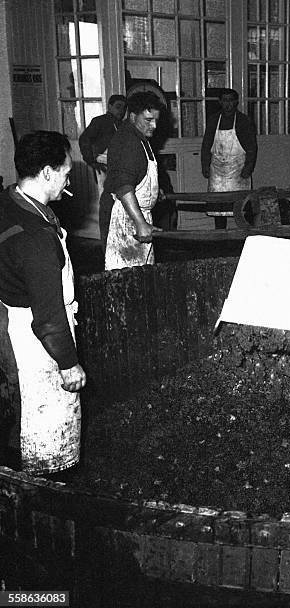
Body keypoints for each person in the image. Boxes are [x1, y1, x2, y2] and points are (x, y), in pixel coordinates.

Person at [0, 131, 86, 475]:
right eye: (66, 171)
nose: (68, 178)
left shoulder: (9, 200)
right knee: (46, 434)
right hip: (36, 344)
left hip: (11, 320)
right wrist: (68, 364)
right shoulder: (35, 239)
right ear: (47, 173)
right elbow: (48, 318)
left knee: (17, 416)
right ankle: (49, 483)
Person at [100, 91, 164, 270]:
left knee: (143, 274)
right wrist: (140, 223)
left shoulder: (140, 137)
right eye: (148, 120)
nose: (154, 126)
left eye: (156, 120)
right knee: (125, 275)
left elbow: (137, 173)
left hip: (136, 213)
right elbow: (123, 187)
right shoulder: (128, 141)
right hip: (125, 217)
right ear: (133, 116)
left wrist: (153, 190)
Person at [201, 88, 258, 229]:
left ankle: (246, 237)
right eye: (225, 100)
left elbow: (252, 148)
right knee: (218, 209)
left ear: (236, 102)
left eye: (231, 100)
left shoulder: (244, 121)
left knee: (243, 208)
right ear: (220, 102)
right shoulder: (214, 120)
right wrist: (205, 165)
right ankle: (220, 237)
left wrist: (248, 168)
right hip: (217, 172)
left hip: (238, 170)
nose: (228, 104)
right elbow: (206, 144)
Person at [79, 94, 127, 194]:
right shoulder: (99, 121)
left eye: (124, 108)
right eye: (118, 107)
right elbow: (84, 139)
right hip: (102, 165)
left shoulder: (123, 125)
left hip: (118, 165)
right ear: (109, 106)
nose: (121, 111)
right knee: (106, 195)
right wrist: (91, 160)